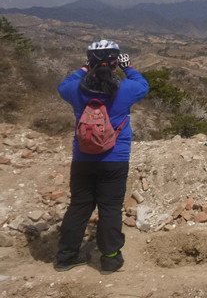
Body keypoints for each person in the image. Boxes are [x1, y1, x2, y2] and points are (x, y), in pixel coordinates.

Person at [54, 40, 149, 274]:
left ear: (90, 61)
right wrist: (128, 67)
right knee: (110, 208)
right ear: (115, 62)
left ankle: (66, 257)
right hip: (115, 159)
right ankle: (110, 259)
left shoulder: (76, 90)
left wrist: (84, 68)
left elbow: (63, 86)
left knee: (79, 206)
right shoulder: (126, 89)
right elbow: (143, 85)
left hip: (83, 158)